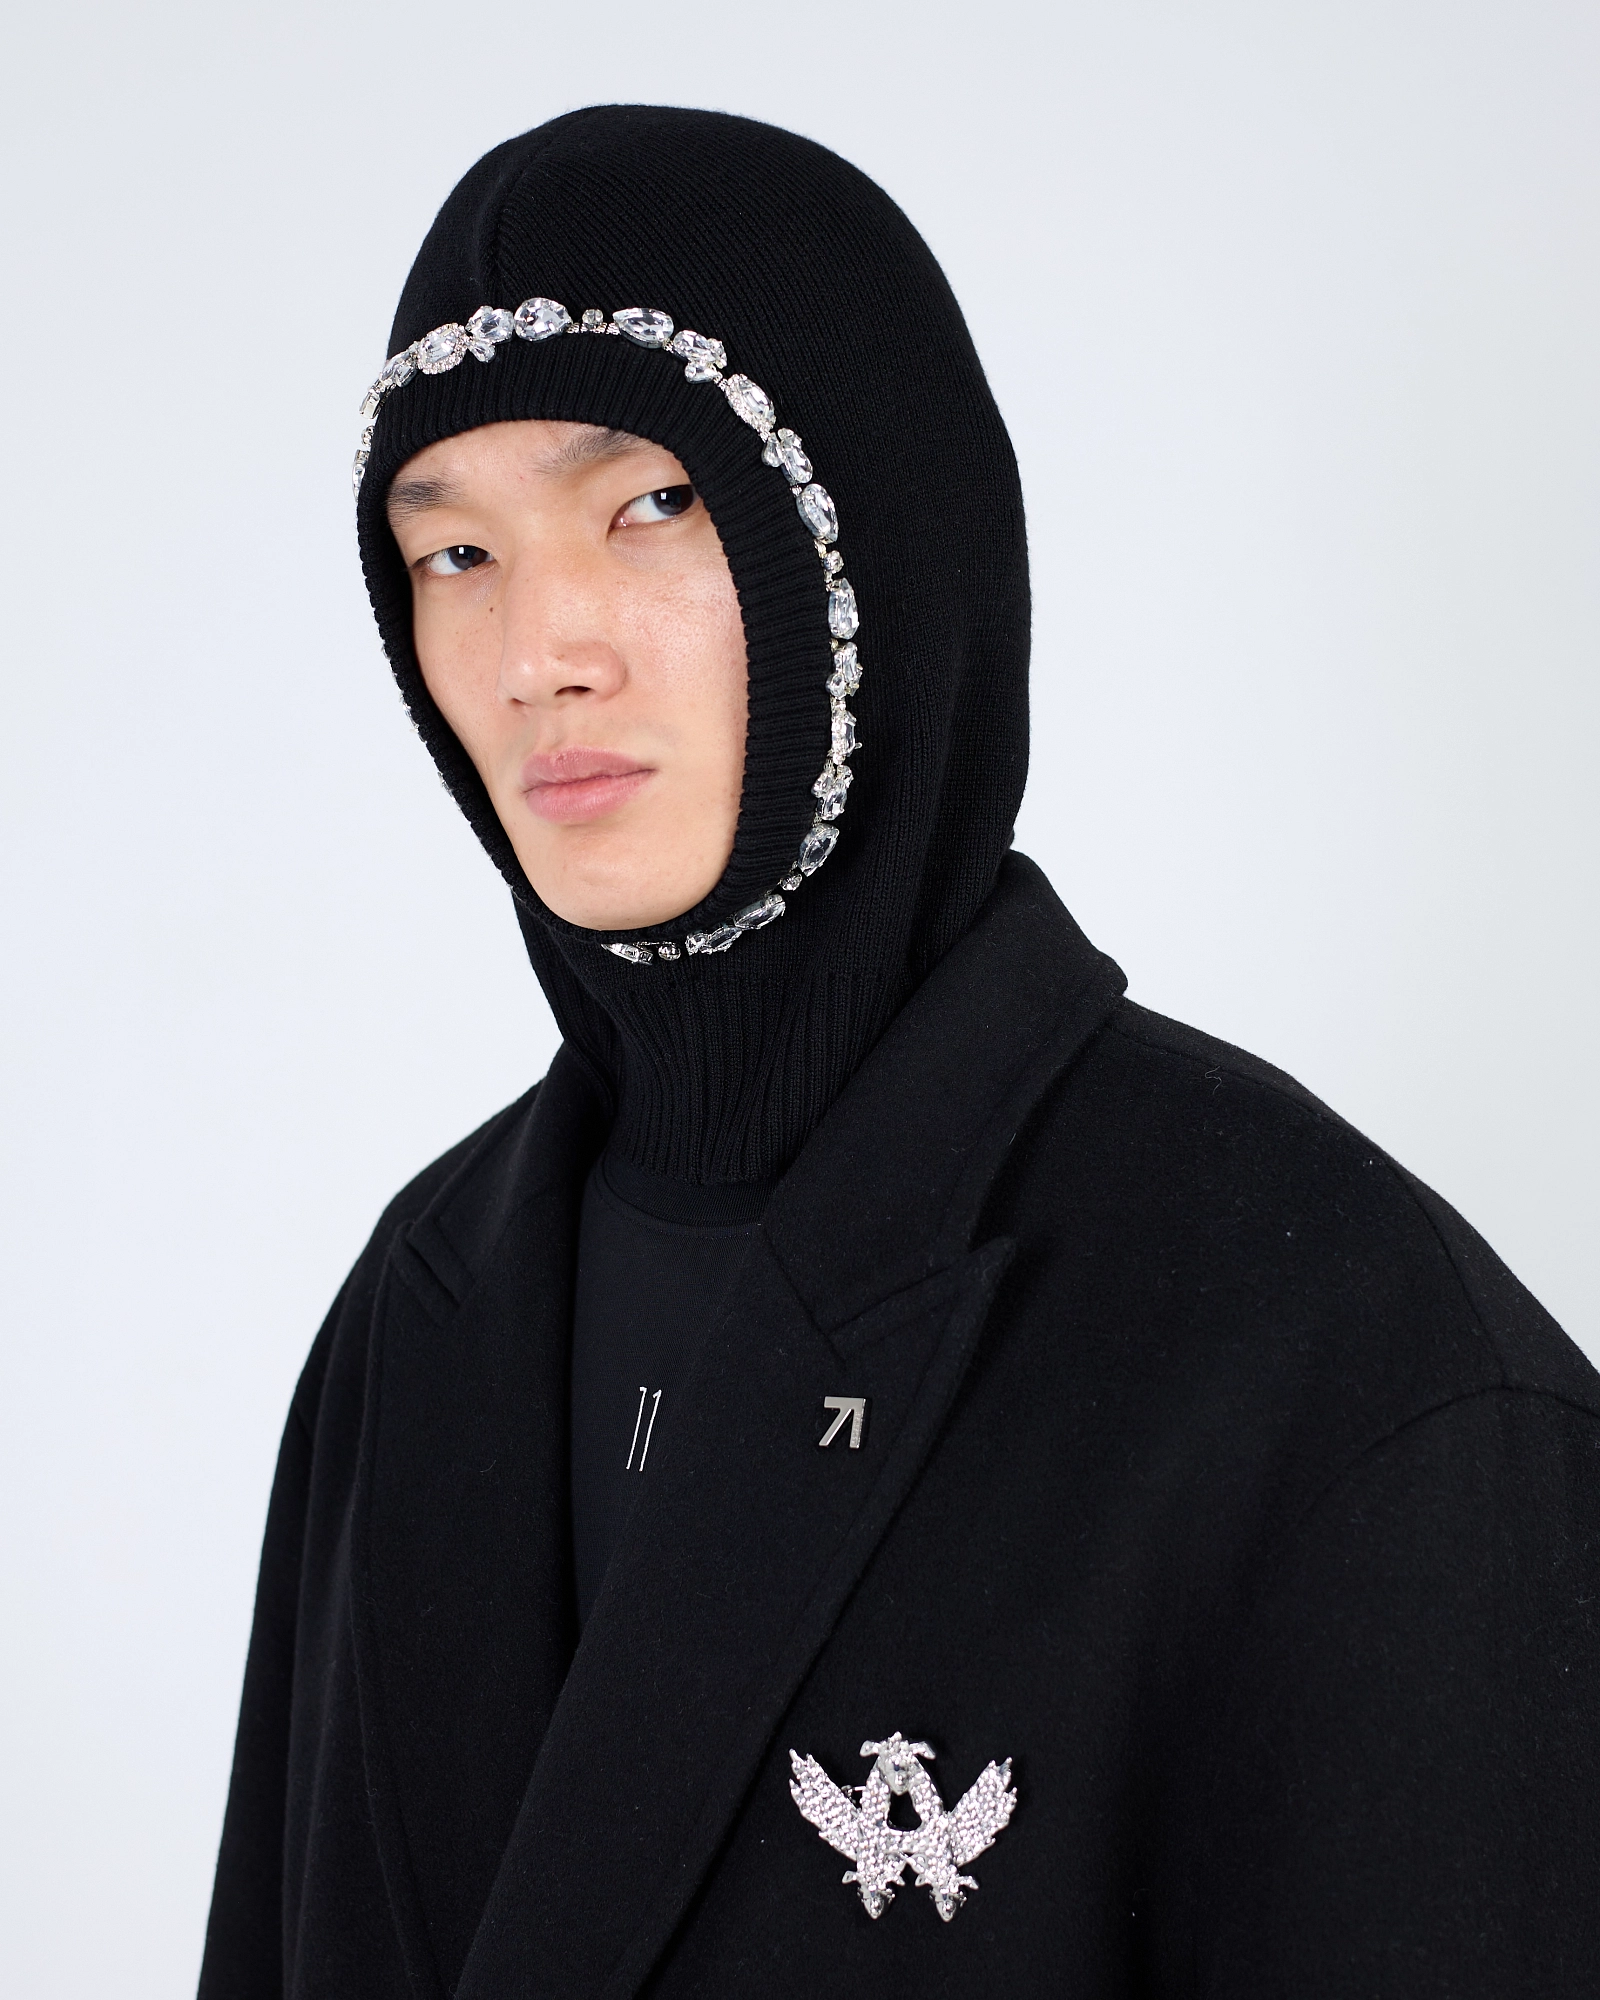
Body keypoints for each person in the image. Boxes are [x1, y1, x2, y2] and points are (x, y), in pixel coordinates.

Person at [199, 106, 1600, 1998]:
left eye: (651, 505)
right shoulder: (415, 1313)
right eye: (453, 551)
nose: (538, 651)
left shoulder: (1354, 1364)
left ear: (878, 538)